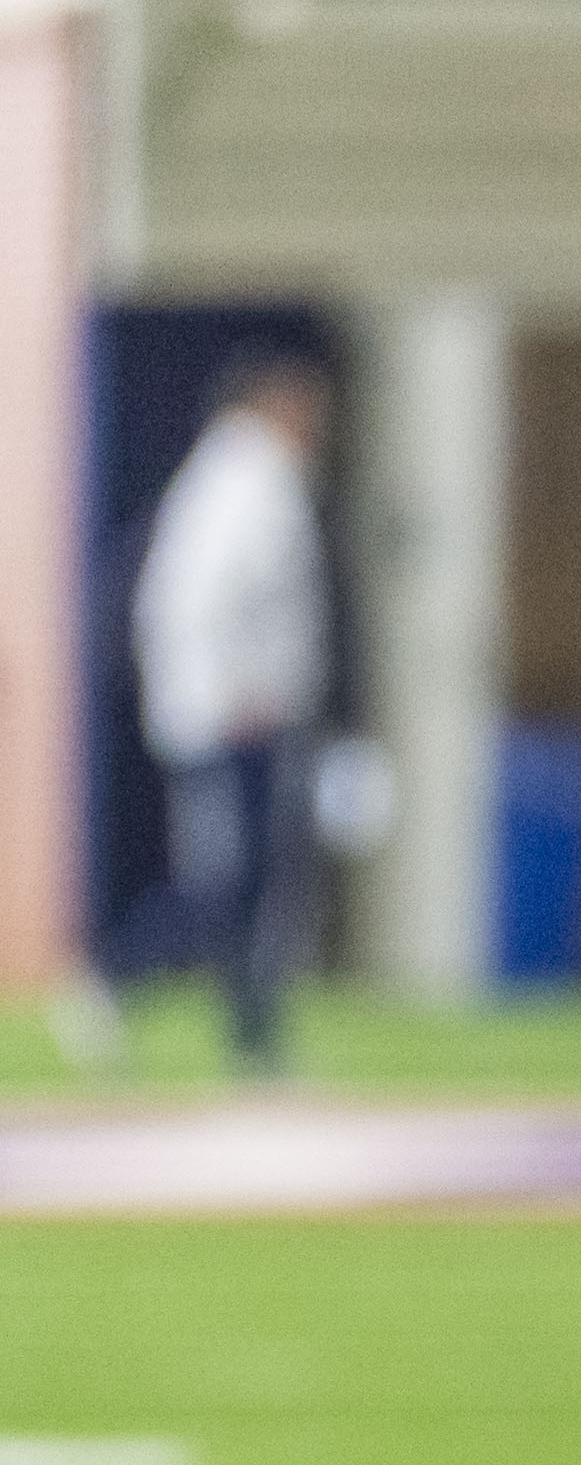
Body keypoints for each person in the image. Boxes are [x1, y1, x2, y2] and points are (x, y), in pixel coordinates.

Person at [131, 347, 332, 1075]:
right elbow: (203, 599)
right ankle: (126, 978)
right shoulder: (245, 479)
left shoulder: (233, 475)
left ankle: (250, 1033)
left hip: (228, 709)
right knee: (230, 880)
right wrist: (237, 691)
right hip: (232, 716)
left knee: (246, 882)